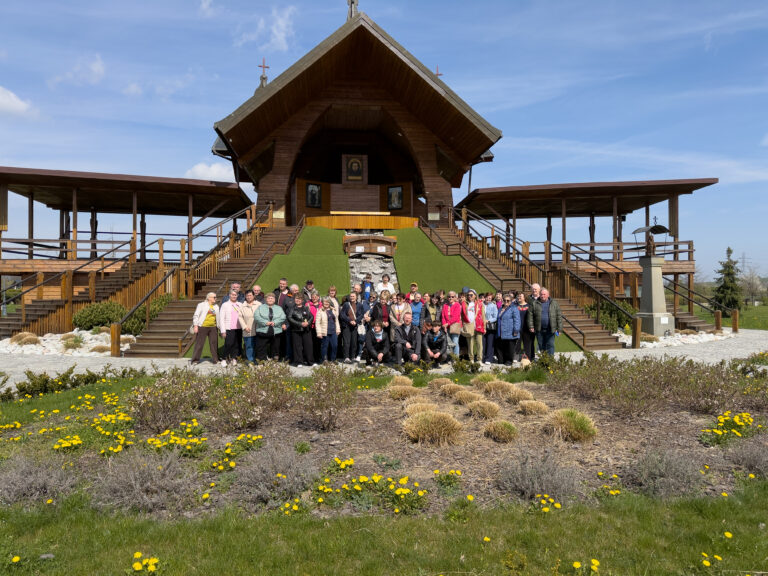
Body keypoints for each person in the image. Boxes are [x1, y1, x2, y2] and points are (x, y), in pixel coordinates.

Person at [528, 288, 563, 357]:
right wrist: (531, 326)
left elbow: (559, 316)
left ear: (548, 295)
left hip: (550, 329)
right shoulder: (534, 303)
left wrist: (559, 329)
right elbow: (530, 316)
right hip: (539, 329)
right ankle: (544, 360)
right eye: (541, 294)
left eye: (544, 294)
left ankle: (550, 360)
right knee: (541, 345)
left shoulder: (554, 303)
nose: (542, 296)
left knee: (550, 345)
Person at [253, 292, 286, 361]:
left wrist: (275, 322)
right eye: (269, 298)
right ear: (265, 299)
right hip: (263, 330)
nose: (270, 299)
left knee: (275, 347)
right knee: (261, 347)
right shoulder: (260, 307)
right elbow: (256, 316)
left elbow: (283, 317)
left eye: (272, 298)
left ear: (274, 300)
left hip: (276, 330)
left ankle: (274, 360)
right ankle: (262, 361)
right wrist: (265, 322)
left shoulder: (279, 308)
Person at [190, 292, 220, 365]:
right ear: (209, 298)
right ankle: (195, 360)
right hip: (202, 327)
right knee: (199, 344)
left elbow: (218, 318)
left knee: (214, 343)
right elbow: (196, 315)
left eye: (216, 297)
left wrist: (219, 327)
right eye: (214, 297)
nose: (215, 298)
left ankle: (216, 360)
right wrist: (196, 325)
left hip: (213, 327)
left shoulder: (216, 306)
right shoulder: (201, 305)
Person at [287, 293, 315, 366]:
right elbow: (289, 318)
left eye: (299, 299)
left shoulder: (306, 308)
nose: (298, 300)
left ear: (302, 300)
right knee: (297, 347)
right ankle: (298, 362)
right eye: (296, 299)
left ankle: (310, 361)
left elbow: (311, 317)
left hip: (306, 330)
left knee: (308, 346)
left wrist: (308, 323)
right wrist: (300, 324)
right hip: (296, 330)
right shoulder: (292, 308)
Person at [219, 290, 243, 366]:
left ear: (237, 296)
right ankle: (224, 358)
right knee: (228, 344)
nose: (234, 296)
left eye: (235, 295)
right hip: (229, 328)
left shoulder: (240, 304)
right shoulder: (225, 305)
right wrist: (223, 330)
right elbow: (221, 318)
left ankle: (234, 358)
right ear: (229, 295)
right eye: (232, 295)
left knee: (236, 344)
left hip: (239, 328)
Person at [339, 291, 364, 363]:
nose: (352, 297)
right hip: (347, 325)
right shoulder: (346, 304)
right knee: (347, 342)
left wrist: (356, 321)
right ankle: (346, 357)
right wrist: (349, 320)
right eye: (351, 296)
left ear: (356, 297)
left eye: (353, 296)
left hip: (355, 326)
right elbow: (342, 315)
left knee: (354, 342)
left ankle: (353, 356)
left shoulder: (360, 305)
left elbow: (361, 314)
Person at [496, 294, 521, 365]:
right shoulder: (500, 309)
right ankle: (501, 360)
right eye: (504, 300)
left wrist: (516, 330)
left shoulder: (514, 308)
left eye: (508, 300)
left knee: (509, 348)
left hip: (510, 331)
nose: (506, 302)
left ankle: (509, 361)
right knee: (501, 347)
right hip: (500, 332)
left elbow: (517, 320)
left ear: (511, 301)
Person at [237, 289, 261, 362]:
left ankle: (258, 360)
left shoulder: (259, 304)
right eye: (247, 295)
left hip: (258, 329)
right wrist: (244, 327)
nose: (249, 297)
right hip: (247, 329)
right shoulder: (242, 306)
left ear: (254, 296)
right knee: (249, 346)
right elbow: (240, 317)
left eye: (250, 295)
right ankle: (251, 361)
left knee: (258, 346)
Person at [315, 296, 340, 362]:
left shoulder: (333, 310)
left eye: (328, 302)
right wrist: (319, 333)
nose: (326, 303)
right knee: (324, 346)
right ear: (322, 303)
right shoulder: (320, 311)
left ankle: (333, 359)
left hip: (333, 331)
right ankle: (324, 359)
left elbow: (336, 320)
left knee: (334, 346)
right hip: (325, 331)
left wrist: (338, 329)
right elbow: (317, 323)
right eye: (325, 302)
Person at [464, 289, 485, 363]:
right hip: (469, 327)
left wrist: (484, 327)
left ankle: (479, 359)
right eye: (468, 295)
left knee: (479, 344)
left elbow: (483, 316)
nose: (469, 296)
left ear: (475, 295)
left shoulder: (480, 304)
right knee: (470, 344)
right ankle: (471, 359)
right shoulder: (465, 304)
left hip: (478, 326)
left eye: (471, 295)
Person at [441, 291, 462, 356]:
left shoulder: (457, 305)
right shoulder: (445, 305)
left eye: (452, 297)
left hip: (454, 326)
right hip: (446, 327)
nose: (450, 298)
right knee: (448, 343)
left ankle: (455, 359)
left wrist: (448, 323)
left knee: (455, 342)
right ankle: (450, 358)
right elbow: (443, 316)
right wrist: (444, 325)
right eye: (449, 296)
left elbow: (456, 317)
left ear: (455, 297)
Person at [516, 291, 534, 361]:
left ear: (524, 297)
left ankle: (528, 358)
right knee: (517, 344)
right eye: (518, 296)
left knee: (527, 345)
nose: (519, 297)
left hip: (527, 329)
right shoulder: (515, 306)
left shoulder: (529, 306)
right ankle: (516, 358)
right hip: (518, 329)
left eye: (520, 296)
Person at [482, 292, 498, 365]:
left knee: (490, 342)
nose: (488, 299)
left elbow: (495, 317)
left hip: (490, 326)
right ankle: (483, 357)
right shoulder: (481, 305)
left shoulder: (493, 306)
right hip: (482, 326)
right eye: (487, 297)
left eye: (490, 298)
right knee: (483, 342)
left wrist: (488, 320)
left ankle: (489, 358)